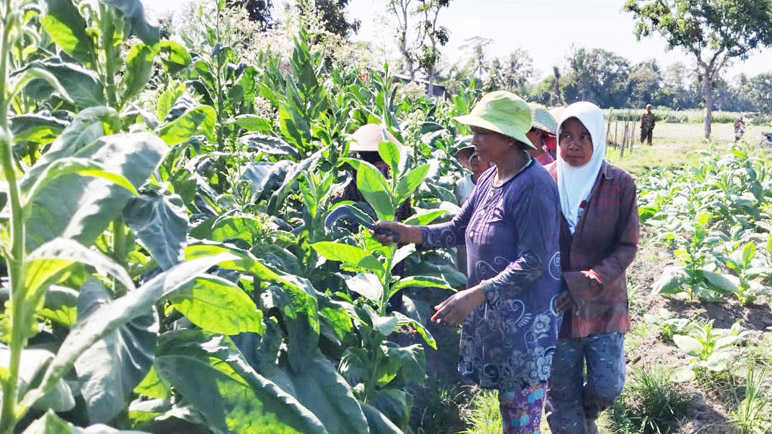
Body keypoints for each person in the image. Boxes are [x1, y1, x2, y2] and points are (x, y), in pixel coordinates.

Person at [374, 91, 562, 433]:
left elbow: (534, 262)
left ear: (507, 139)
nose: (473, 141)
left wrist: (474, 295)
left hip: (525, 329)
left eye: (482, 133)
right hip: (499, 320)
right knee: (512, 415)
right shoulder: (491, 178)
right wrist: (407, 232)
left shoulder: (534, 187)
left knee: (521, 421)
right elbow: (459, 228)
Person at [543, 102, 640, 434]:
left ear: (599, 138)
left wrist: (591, 279)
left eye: (584, 136)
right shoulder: (544, 182)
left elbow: (627, 246)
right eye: (566, 135)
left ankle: (586, 417)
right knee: (561, 392)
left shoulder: (619, 183)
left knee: (606, 386)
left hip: (603, 303)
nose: (573, 144)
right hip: (556, 307)